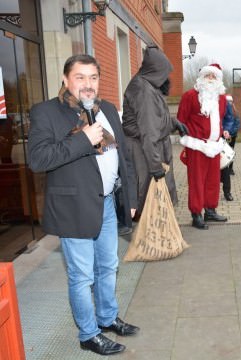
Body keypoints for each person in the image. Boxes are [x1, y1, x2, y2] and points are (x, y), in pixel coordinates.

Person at [28, 54, 139, 356]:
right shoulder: (46, 112)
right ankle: (88, 334)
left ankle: (107, 317)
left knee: (109, 266)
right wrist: (84, 139)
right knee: (82, 276)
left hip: (106, 204)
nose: (87, 85)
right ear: (65, 80)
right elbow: (37, 159)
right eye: (80, 77)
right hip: (73, 207)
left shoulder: (108, 111)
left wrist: (130, 199)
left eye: (93, 77)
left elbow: (123, 157)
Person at [122, 46, 188, 217]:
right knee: (150, 202)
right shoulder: (144, 91)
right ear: (156, 71)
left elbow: (154, 121)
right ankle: (151, 240)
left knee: (155, 203)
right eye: (164, 73)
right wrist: (156, 166)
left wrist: (173, 123)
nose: (166, 77)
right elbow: (149, 132)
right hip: (144, 153)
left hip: (147, 149)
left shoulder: (147, 85)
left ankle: (156, 237)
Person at [177, 63, 234, 229]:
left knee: (213, 180)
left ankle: (210, 209)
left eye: (214, 76)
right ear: (201, 78)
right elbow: (181, 120)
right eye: (207, 75)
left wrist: (223, 132)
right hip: (196, 146)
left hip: (215, 146)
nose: (210, 79)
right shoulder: (190, 96)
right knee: (196, 181)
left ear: (218, 80)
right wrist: (188, 140)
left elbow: (223, 119)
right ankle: (196, 213)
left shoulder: (222, 99)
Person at [221, 95, 240, 201]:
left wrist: (228, 131)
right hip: (210, 140)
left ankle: (227, 192)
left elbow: (231, 121)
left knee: (225, 166)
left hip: (225, 138)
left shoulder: (228, 108)